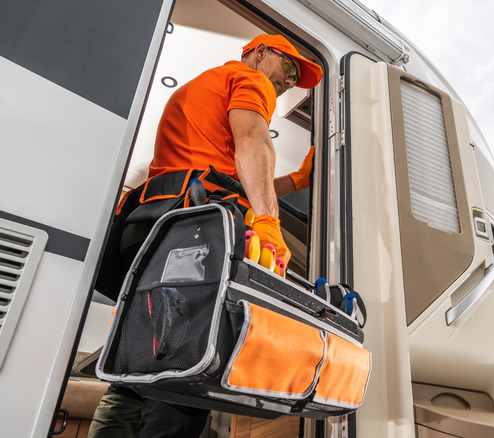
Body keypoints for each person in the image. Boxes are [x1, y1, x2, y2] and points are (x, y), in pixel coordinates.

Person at [88, 34, 323, 438]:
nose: (288, 82)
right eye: (289, 68)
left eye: (295, 78)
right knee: (187, 363)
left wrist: (297, 181)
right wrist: (267, 221)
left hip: (155, 223)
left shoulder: (203, 86)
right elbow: (252, 140)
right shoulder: (249, 80)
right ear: (260, 52)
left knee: (137, 361)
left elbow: (227, 176)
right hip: (191, 229)